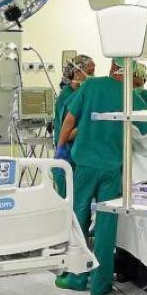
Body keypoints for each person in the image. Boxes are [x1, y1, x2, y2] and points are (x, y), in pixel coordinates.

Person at [55, 58, 147, 295]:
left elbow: (69, 120)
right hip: (112, 169)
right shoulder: (130, 96)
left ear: (112, 67)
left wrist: (60, 149)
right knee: (106, 224)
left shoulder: (91, 86)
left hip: (86, 164)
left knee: (79, 218)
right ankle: (101, 284)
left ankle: (77, 277)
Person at [52, 54, 95, 198]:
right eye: (90, 72)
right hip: (67, 160)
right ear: (77, 72)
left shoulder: (81, 94)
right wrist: (89, 125)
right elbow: (67, 134)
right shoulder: (67, 98)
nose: (93, 76)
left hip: (79, 160)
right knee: (69, 203)